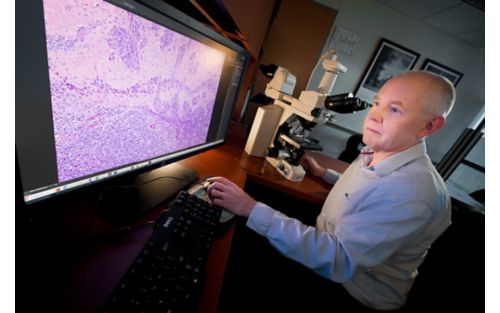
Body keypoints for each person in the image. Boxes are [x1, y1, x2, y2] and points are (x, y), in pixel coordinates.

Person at [207, 70, 456, 311]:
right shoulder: (384, 148)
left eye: (394, 109)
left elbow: (338, 260)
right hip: (327, 250)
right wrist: (324, 174)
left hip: (351, 291)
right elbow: (366, 193)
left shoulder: (413, 193)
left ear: (429, 126)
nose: (374, 117)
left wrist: (249, 208)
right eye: (377, 103)